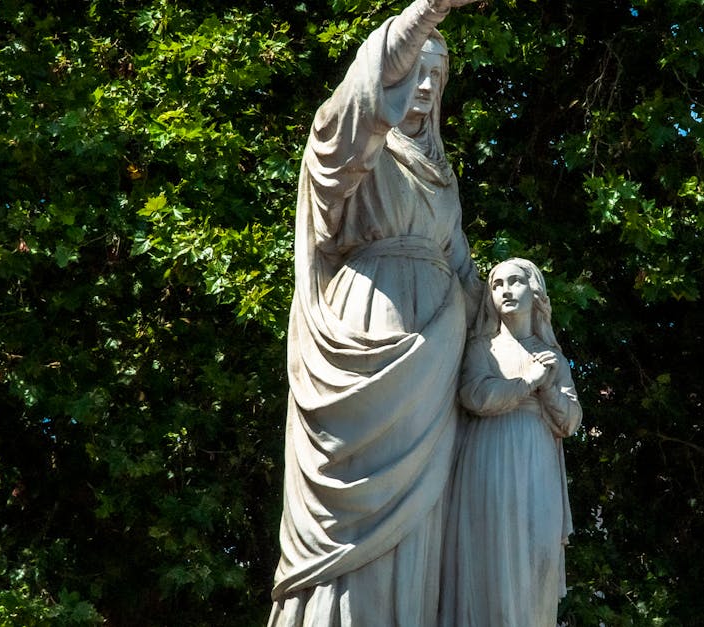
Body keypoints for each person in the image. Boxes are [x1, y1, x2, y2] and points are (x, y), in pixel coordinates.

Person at [267, 1, 483, 625]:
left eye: (433, 77)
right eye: (412, 70)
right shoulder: (350, 150)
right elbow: (355, 105)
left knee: (421, 525)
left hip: (433, 360)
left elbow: (469, 278)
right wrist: (425, 15)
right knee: (348, 526)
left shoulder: (443, 182)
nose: (420, 86)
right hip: (363, 341)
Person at [440, 258, 583, 626]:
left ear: (534, 292)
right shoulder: (481, 348)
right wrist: (528, 381)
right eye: (496, 283)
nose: (505, 289)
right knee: (494, 555)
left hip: (538, 458)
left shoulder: (554, 357)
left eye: (515, 281)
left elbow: (569, 421)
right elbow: (474, 396)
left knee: (539, 554)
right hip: (490, 455)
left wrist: (550, 386)